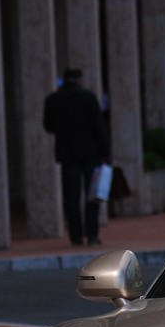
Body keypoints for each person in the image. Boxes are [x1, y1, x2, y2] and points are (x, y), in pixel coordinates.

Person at [43, 67, 110, 246]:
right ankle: (92, 234)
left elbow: (48, 126)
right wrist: (105, 152)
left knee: (71, 197)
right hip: (90, 153)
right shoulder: (88, 97)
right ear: (79, 79)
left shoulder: (53, 99)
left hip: (67, 154)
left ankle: (76, 236)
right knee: (92, 195)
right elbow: (99, 125)